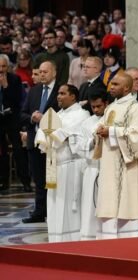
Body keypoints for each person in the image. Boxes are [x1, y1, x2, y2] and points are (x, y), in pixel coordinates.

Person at [94, 72, 138, 239]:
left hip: (127, 166)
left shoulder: (137, 109)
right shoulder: (110, 108)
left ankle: (128, 239)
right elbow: (100, 126)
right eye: (111, 84)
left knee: (127, 201)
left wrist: (110, 131)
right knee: (109, 202)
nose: (111, 87)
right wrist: (98, 131)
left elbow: (137, 137)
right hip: (109, 164)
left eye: (116, 84)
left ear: (126, 88)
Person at [35, 84, 89, 242]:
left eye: (62, 93)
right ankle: (56, 238)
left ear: (73, 96)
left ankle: (72, 239)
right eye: (58, 93)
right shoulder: (58, 114)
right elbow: (44, 129)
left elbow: (65, 132)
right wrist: (46, 133)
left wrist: (50, 133)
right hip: (54, 166)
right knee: (55, 203)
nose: (58, 96)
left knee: (69, 205)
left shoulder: (81, 114)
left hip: (71, 166)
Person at [21, 61, 60, 223]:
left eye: (45, 72)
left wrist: (46, 119)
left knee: (52, 179)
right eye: (40, 72)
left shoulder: (61, 90)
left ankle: (54, 211)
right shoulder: (34, 91)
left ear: (54, 73)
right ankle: (39, 212)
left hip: (53, 144)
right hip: (34, 141)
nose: (42, 74)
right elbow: (22, 113)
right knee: (38, 179)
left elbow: (64, 115)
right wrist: (32, 117)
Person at [78, 92, 108, 240]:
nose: (95, 110)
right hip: (92, 168)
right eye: (93, 107)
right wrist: (92, 140)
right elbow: (79, 145)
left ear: (106, 104)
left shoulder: (111, 121)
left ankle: (105, 235)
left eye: (99, 106)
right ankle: (89, 236)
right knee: (90, 205)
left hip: (107, 169)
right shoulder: (87, 122)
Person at [0, 54, 31, 192]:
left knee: (18, 150)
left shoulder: (15, 79)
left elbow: (16, 101)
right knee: (2, 152)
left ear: (8, 67)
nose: (1, 69)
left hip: (12, 119)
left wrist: (6, 87)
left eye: (3, 66)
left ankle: (25, 182)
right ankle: (4, 182)